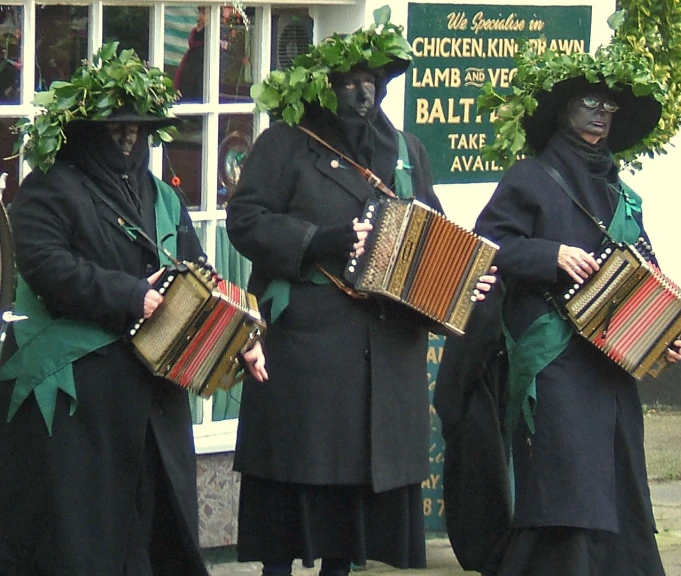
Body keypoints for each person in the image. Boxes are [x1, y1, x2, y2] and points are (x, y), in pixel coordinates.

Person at [225, 10, 494, 576]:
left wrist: (464, 273)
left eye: (372, 83)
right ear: (326, 88)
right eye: (349, 84)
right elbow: (245, 221)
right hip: (307, 346)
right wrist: (324, 239)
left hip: (384, 346)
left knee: (355, 488)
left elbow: (430, 226)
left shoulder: (405, 151)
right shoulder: (286, 144)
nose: (362, 95)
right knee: (294, 475)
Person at [0, 46, 265, 575]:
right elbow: (46, 267)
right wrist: (129, 295)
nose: (128, 139)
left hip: (153, 404)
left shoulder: (160, 195)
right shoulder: (47, 190)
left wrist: (241, 340)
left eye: (138, 130)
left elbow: (198, 274)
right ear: (84, 131)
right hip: (79, 411)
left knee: (155, 539)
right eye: (115, 128)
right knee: (80, 545)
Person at [450, 66, 681, 574]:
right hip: (551, 354)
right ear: (562, 111)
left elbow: (647, 273)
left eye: (608, 109)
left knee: (617, 473)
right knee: (566, 479)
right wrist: (552, 254)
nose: (600, 117)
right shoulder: (529, 178)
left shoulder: (621, 193)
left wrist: (668, 337)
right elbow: (487, 247)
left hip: (611, 360)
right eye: (589, 104)